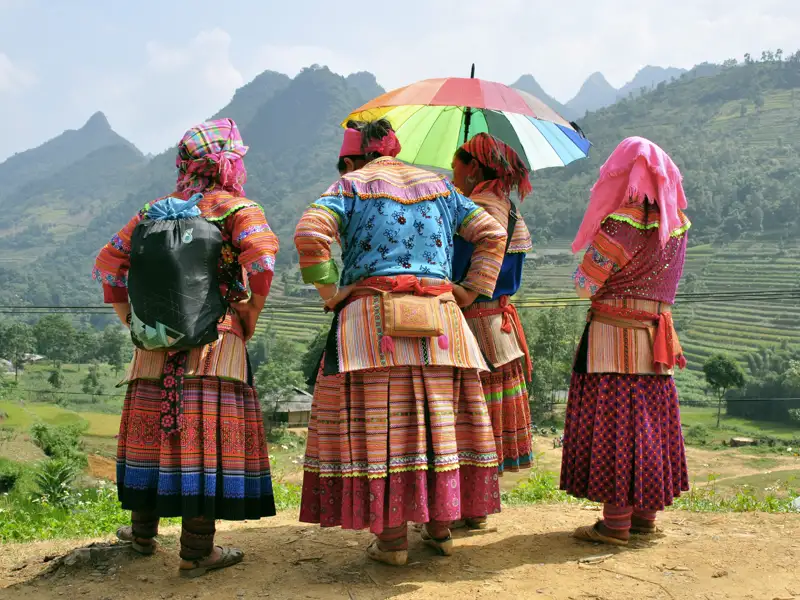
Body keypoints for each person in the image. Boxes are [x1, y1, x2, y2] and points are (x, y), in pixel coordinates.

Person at [295, 119, 508, 565]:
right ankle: (441, 529)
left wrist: (331, 292)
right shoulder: (441, 186)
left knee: (382, 426)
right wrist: (471, 289)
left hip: (371, 324)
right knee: (440, 421)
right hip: (442, 319)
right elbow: (493, 233)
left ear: (360, 155)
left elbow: (310, 234)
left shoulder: (350, 186)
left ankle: (392, 542)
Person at [93, 118, 279, 576]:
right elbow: (261, 258)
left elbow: (108, 263)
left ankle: (141, 535)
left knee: (151, 438)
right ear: (229, 163)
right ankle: (198, 552)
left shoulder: (154, 211)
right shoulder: (237, 209)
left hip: (153, 345)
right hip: (215, 341)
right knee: (204, 444)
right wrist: (250, 313)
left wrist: (132, 320)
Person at [560, 136, 691, 546]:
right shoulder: (678, 226)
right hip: (656, 342)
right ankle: (644, 517)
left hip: (612, 342)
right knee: (649, 425)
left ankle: (615, 523)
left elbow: (584, 284)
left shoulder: (622, 223)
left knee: (616, 427)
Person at [450, 133, 535, 529]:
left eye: (456, 166)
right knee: (485, 421)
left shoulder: (476, 211)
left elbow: (457, 268)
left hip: (470, 325)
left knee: (466, 419)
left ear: (472, 168)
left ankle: (461, 508)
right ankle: (478, 507)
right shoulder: (508, 208)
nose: (452, 173)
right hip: (500, 331)